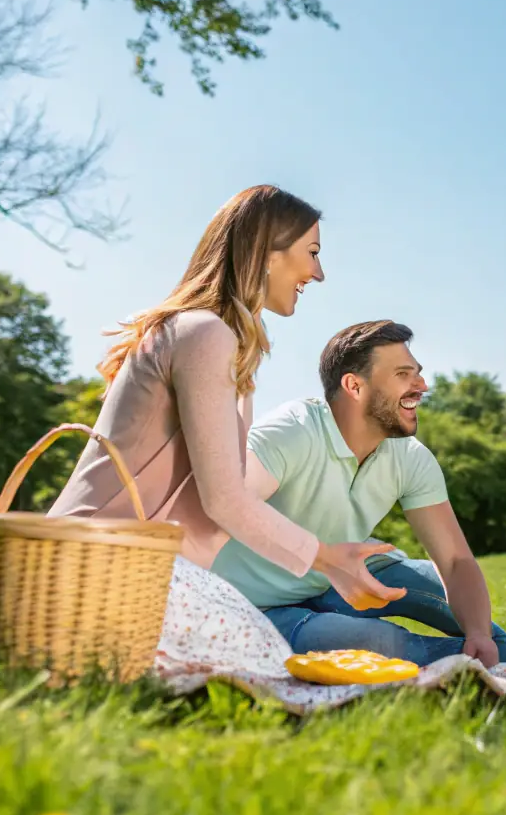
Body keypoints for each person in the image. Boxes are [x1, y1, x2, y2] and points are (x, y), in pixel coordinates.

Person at [49, 186, 406, 664]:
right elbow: (225, 499)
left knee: (275, 657)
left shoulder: (226, 344)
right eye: (312, 253)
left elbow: (227, 492)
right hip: (101, 569)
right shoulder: (203, 334)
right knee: (275, 663)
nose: (318, 273)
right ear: (265, 251)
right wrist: (327, 558)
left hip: (139, 570)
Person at [217, 319, 506, 667]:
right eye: (403, 374)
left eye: (417, 373)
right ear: (354, 386)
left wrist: (479, 632)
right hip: (255, 606)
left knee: (431, 585)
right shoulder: (291, 431)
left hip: (333, 581)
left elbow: (454, 561)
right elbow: (234, 506)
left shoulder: (409, 456)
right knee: (374, 642)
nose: (422, 385)